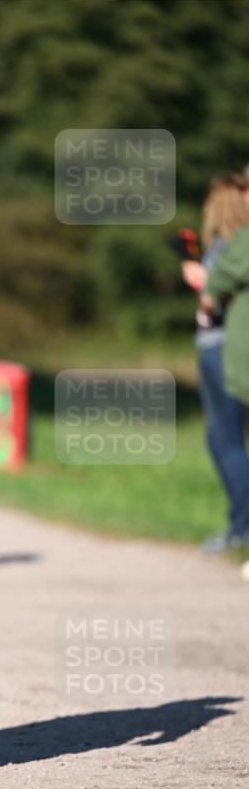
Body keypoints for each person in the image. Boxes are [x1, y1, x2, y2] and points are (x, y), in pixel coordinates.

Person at [178, 174, 249, 552]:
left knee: (226, 437)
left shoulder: (233, 244)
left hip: (223, 346)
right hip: (223, 345)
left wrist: (199, 280)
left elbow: (213, 294)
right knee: (219, 437)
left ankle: (242, 524)